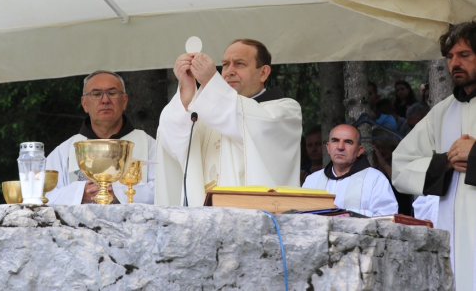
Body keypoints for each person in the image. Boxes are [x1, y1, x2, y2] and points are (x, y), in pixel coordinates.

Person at [156, 39, 302, 207]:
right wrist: (187, 91)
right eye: (225, 65)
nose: (229, 72)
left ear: (263, 73)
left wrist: (211, 81)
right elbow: (171, 140)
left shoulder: (286, 111)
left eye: (239, 64)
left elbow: (247, 120)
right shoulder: (206, 112)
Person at [392, 20, 476, 291]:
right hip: (453, 234)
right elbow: (401, 166)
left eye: (464, 55)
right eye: (450, 57)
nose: (455, 63)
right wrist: (445, 161)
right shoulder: (442, 112)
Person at [46, 70, 155, 204]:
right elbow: (43, 196)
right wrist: (80, 194)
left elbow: (168, 189)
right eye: (96, 94)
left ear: (124, 101)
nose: (105, 100)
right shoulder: (64, 152)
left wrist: (120, 193)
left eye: (112, 93)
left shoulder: (150, 145)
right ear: (84, 103)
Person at [303, 124, 398, 217]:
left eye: (348, 142)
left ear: (359, 150)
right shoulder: (312, 180)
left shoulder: (375, 179)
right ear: (328, 147)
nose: (340, 147)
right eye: (335, 141)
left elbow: (388, 217)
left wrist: (343, 214)